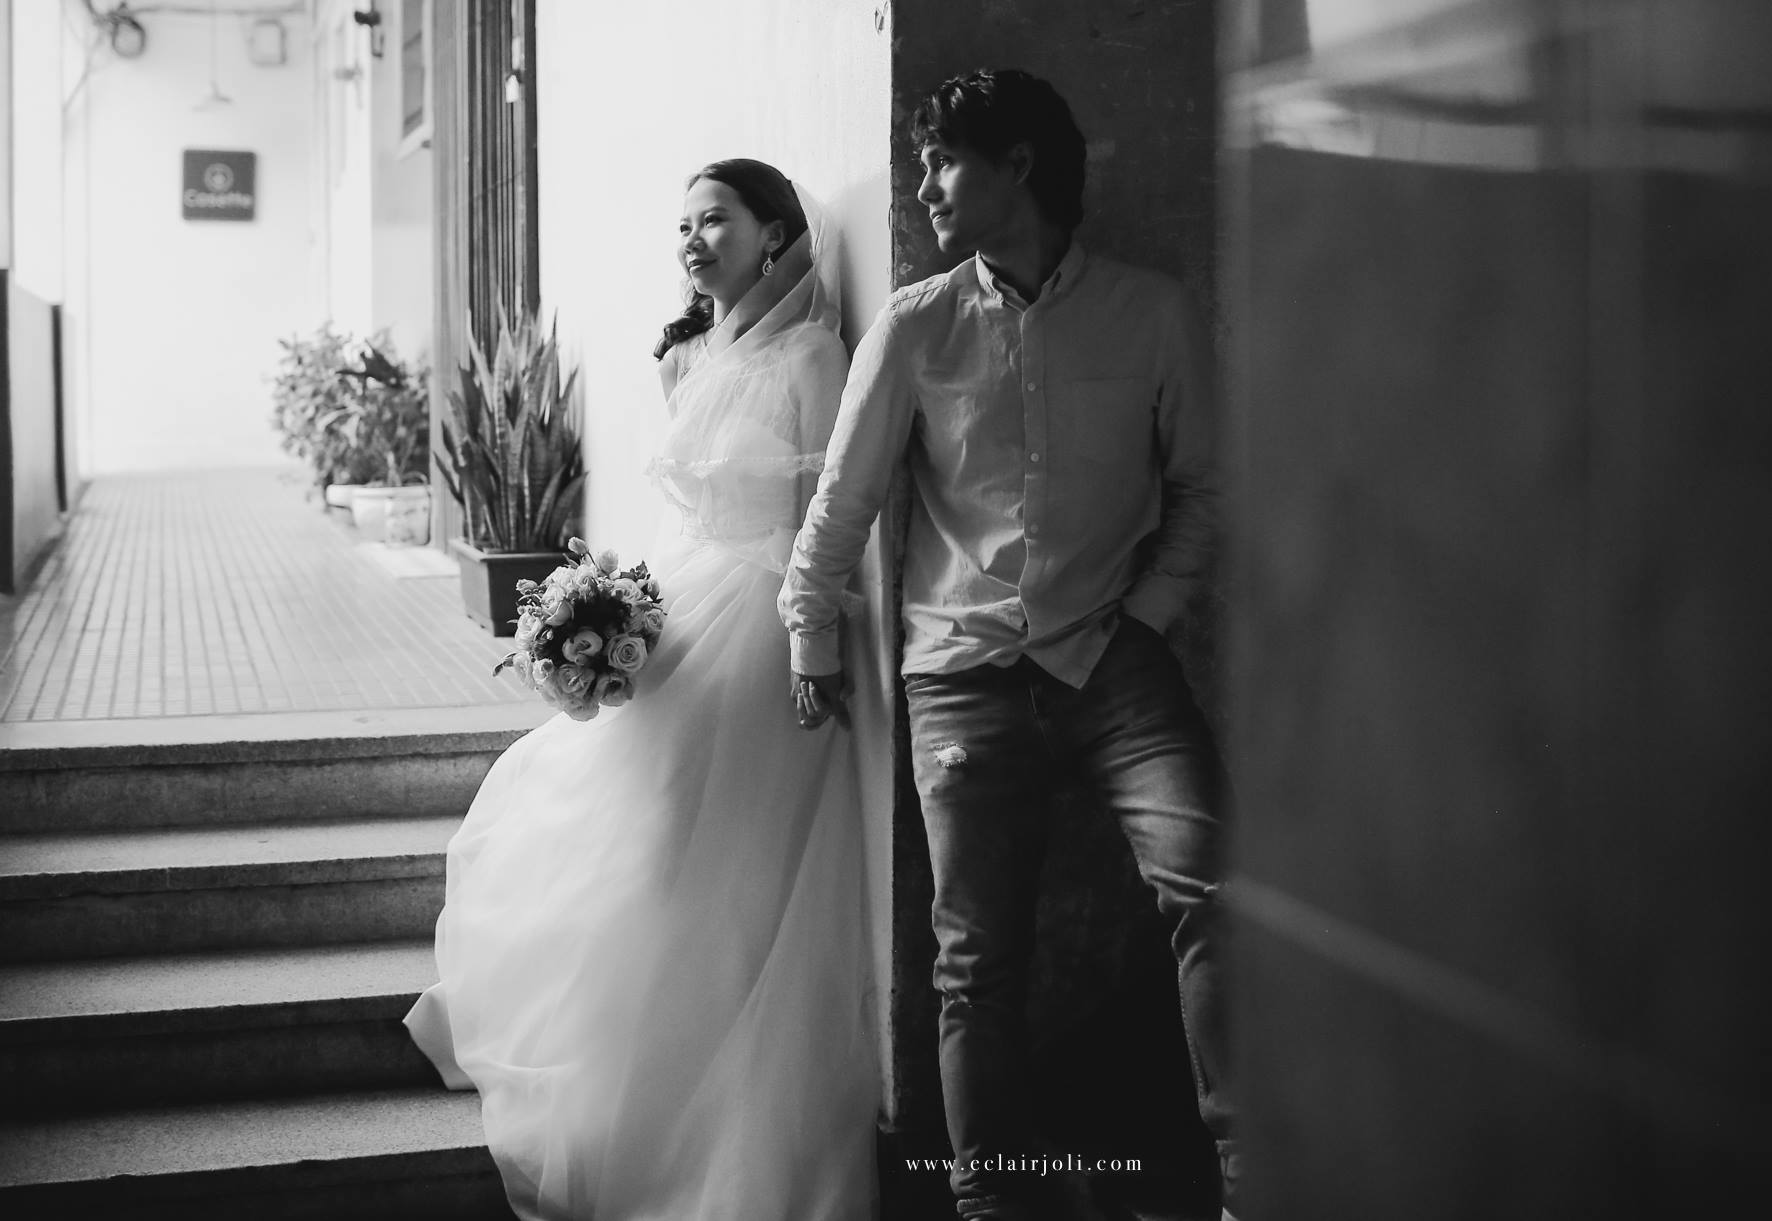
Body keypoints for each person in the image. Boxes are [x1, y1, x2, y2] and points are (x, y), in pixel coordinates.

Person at [780, 71, 1238, 1221]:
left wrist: (1146, 619)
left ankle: (1250, 1186)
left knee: (1217, 887)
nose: (924, 188)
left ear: (1018, 165)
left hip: (1114, 663)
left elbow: (1205, 488)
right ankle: (991, 1202)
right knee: (973, 961)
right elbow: (844, 497)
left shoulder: (1151, 313)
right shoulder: (916, 323)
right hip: (961, 676)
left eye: (945, 162)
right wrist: (809, 630)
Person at [406, 159, 880, 1221]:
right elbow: (679, 511)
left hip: (763, 625)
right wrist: (614, 609)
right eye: (683, 225)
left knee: (728, 857)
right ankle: (621, 1052)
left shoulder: (815, 356)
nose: (692, 240)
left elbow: (829, 515)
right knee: (633, 829)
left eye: (715, 220)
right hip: (683, 607)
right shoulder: (689, 356)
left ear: (773, 234)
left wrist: (811, 639)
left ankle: (715, 1103)